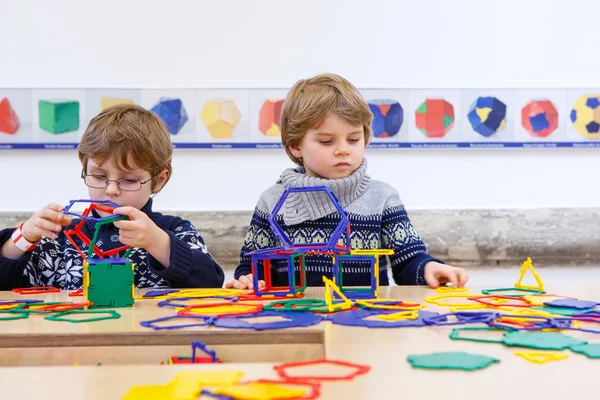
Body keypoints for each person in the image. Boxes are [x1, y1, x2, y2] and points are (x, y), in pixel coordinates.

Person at [227, 73, 468, 290]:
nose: (343, 150)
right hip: (294, 319)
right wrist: (247, 279)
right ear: (295, 145)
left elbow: (409, 260)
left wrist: (428, 268)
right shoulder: (272, 200)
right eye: (326, 141)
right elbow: (251, 265)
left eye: (353, 139)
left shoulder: (383, 198)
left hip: (366, 324)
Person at [0, 104, 224, 290]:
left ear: (159, 179)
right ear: (84, 169)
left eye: (129, 180)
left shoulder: (175, 230)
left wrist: (158, 242)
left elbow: (211, 283)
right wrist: (23, 238)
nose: (111, 191)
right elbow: (6, 286)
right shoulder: (59, 239)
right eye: (98, 176)